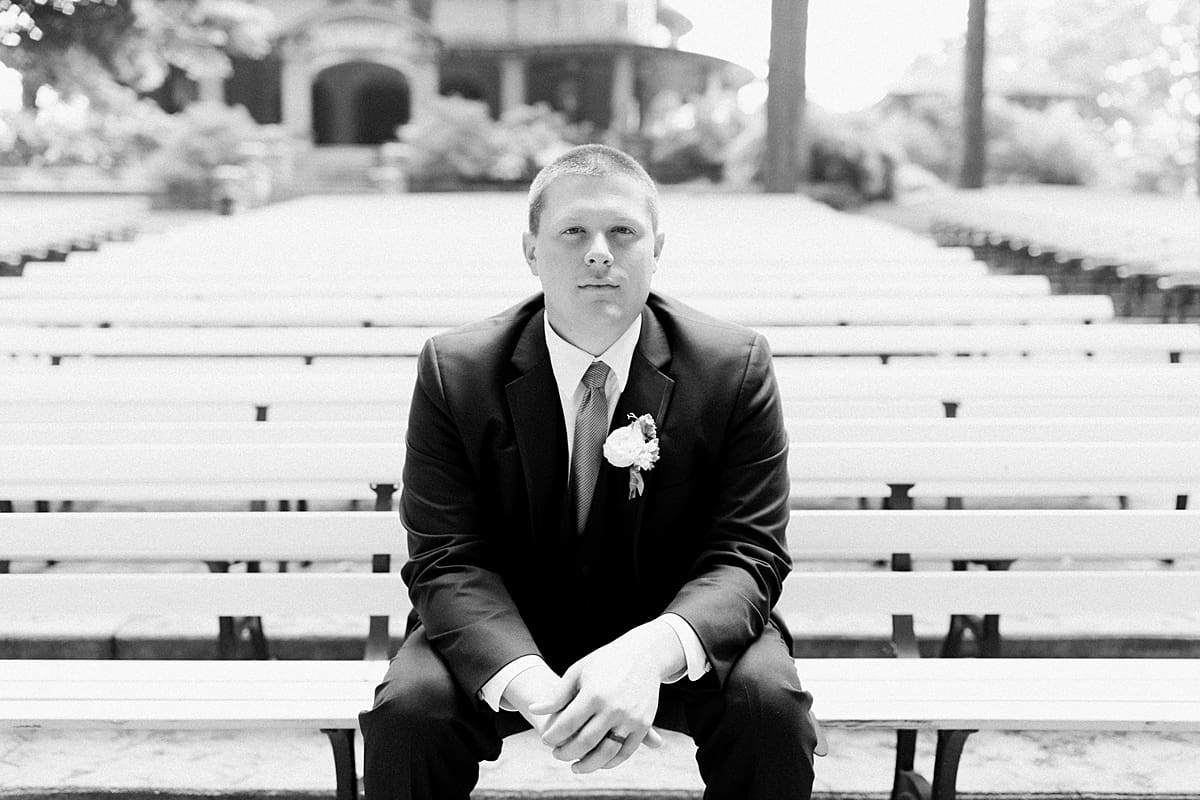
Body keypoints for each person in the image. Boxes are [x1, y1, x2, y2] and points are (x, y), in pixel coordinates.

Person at [359, 143, 821, 799]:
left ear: (655, 246)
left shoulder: (733, 366)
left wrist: (645, 655)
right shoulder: (454, 370)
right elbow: (446, 557)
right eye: (573, 231)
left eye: (622, 232)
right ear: (531, 250)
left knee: (767, 705)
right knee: (410, 711)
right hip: (512, 629)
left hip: (674, 630)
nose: (599, 251)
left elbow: (749, 551)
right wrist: (539, 692)